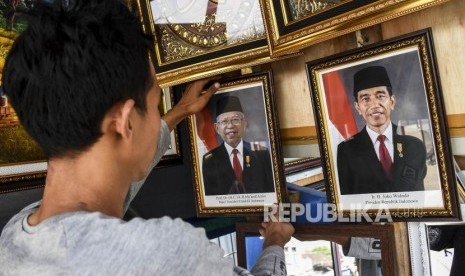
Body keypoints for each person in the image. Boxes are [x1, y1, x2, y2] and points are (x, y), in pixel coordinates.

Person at [0, 1, 294, 275]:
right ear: (126, 121)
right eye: (155, 105)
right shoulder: (166, 255)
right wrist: (276, 241)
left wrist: (178, 112)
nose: (156, 117)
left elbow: (115, 184)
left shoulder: (15, 239)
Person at [337, 66, 427, 194]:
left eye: (380, 96)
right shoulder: (346, 150)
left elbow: (418, 196)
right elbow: (347, 200)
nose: (374, 105)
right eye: (365, 99)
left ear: (392, 101)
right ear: (358, 107)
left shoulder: (414, 145)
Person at [202, 95, 275, 195]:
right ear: (217, 128)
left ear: (244, 124)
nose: (230, 126)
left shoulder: (262, 153)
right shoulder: (209, 160)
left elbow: (271, 190)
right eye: (224, 121)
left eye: (235, 120)